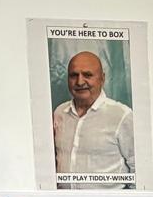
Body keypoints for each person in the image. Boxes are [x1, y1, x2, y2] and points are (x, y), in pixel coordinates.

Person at [53, 50, 135, 189]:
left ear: (102, 78)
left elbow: (139, 169)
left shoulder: (122, 116)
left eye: (87, 75)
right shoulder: (59, 113)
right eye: (74, 75)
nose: (80, 82)